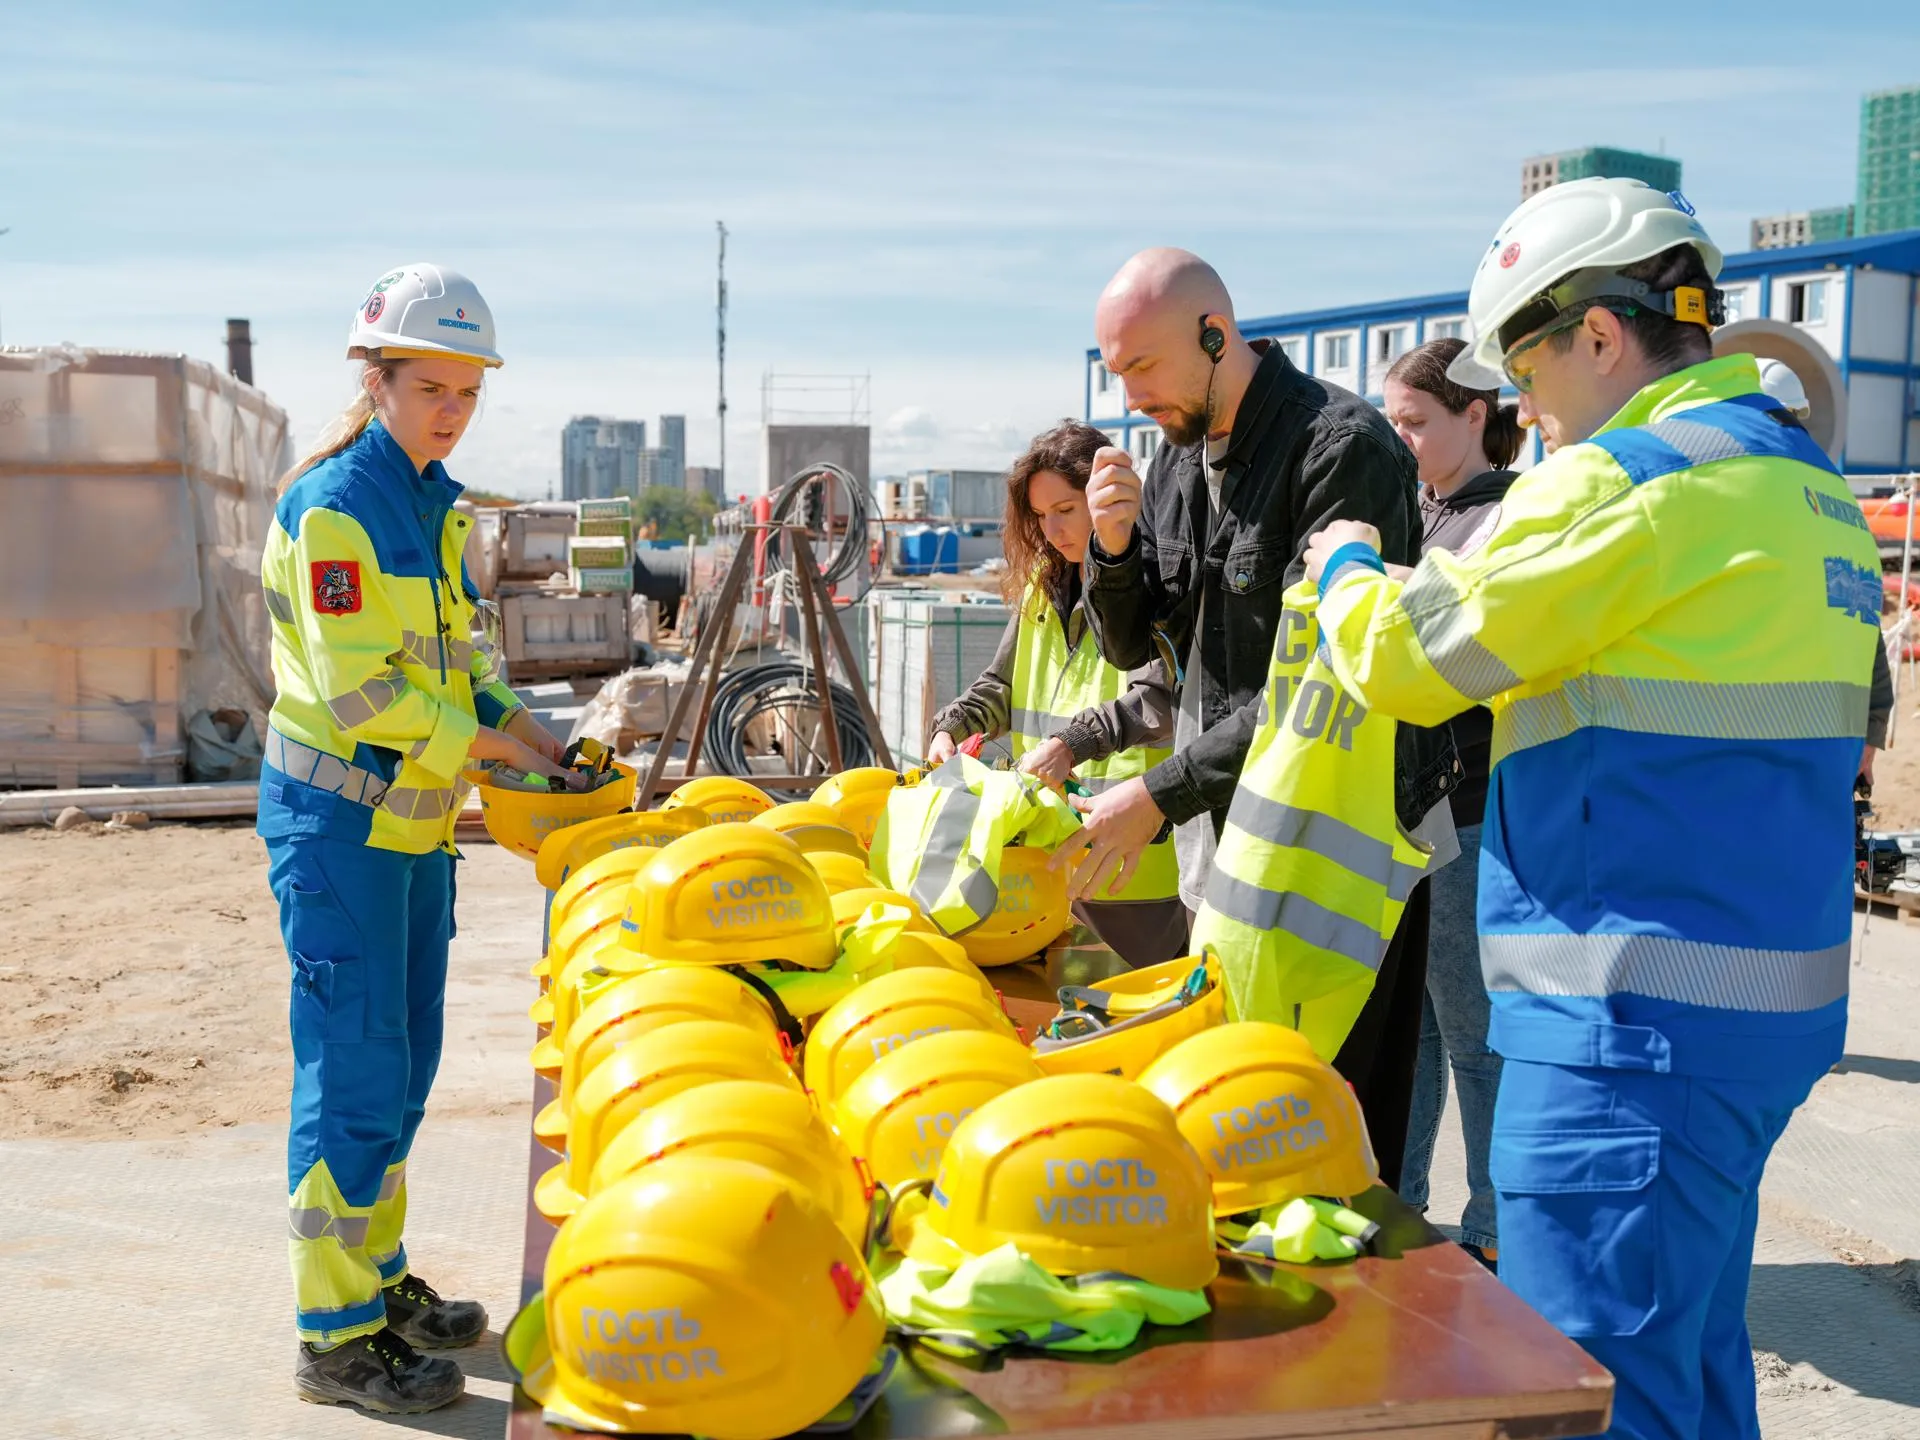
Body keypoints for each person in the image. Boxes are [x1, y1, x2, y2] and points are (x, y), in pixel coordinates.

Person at [1301, 179, 1881, 1440]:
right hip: (1755, 1014)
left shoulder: (1632, 484)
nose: (1521, 409)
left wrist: (1343, 563)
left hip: (1628, 1029)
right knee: (1690, 1359)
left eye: (1525, 369)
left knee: (1597, 1398)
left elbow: (1411, 658)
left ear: (1602, 336)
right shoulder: (1807, 488)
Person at [260, 264, 577, 1414]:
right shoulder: (337, 507)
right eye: (429, 386)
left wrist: (535, 736)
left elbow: (460, 669)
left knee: (400, 1074)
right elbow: (364, 700)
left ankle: (378, 1284)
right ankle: (333, 1339)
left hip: (411, 828)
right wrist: (485, 751)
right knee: (350, 1076)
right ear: (376, 379)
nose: (450, 409)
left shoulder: (437, 506)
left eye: (467, 391)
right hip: (340, 825)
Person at [1072, 248, 1455, 1185]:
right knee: (1247, 1113)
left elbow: (1319, 682)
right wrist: (1113, 550)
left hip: (1342, 852)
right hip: (1238, 841)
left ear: (1216, 334)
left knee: (1337, 1123)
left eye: (1144, 368)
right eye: (1116, 375)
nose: (1132, 398)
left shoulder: (1342, 449)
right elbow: (1138, 648)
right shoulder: (1174, 457)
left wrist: (1158, 794)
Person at [925, 420, 1187, 969]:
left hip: (1134, 869)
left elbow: (1165, 699)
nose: (1052, 530)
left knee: (1137, 1029)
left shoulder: (1155, 582)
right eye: (1040, 517)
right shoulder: (1043, 583)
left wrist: (1073, 741)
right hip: (1047, 866)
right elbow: (999, 686)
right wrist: (952, 724)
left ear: (1105, 496)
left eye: (1065, 510)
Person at [1380, 337, 1524, 1268]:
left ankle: (1497, 1234)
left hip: (1466, 809)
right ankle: (1404, 1206)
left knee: (1472, 1030)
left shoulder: (1504, 518)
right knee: (1419, 1028)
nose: (1401, 442)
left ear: (1476, 416)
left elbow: (1468, 654)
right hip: (1409, 814)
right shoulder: (1421, 511)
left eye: (1416, 423)